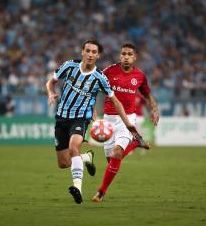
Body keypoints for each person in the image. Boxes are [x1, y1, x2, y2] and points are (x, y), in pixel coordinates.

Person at [45, 40, 139, 204]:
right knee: (63, 163)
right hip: (61, 118)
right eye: (87, 50)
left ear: (98, 55)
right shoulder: (69, 66)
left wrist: (129, 125)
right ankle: (86, 158)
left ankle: (77, 188)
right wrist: (50, 93)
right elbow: (51, 82)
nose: (90, 54)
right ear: (82, 51)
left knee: (74, 147)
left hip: (81, 118)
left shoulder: (100, 78)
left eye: (94, 52)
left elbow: (115, 101)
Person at [92, 43, 160, 203]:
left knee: (117, 153)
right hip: (108, 120)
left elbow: (148, 95)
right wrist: (92, 107)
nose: (126, 57)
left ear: (135, 57)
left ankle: (101, 192)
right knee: (112, 161)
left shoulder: (140, 76)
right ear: (120, 56)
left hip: (128, 119)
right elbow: (93, 88)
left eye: (130, 54)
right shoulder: (109, 71)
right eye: (123, 54)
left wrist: (154, 109)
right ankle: (136, 142)